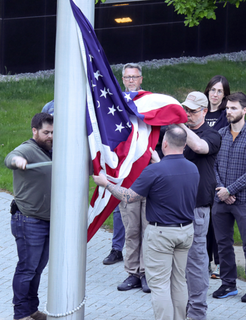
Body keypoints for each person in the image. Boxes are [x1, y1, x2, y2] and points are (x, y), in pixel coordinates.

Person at [93, 125, 199, 320]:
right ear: (184, 146)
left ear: (164, 143)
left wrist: (106, 183)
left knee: (159, 285)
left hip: (161, 234)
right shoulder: (193, 169)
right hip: (186, 232)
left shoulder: (155, 171)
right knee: (178, 282)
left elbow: (128, 196)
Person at [212, 92, 246, 302]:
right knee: (223, 244)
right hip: (220, 200)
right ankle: (228, 284)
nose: (229, 111)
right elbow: (212, 165)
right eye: (227, 108)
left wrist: (230, 190)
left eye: (233, 108)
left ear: (245, 110)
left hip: (244, 201)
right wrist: (221, 190)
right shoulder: (220, 134)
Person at [5, 113, 54, 320]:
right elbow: (10, 158)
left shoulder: (53, 150)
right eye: (46, 132)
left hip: (50, 221)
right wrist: (19, 161)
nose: (50, 136)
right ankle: (21, 314)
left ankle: (32, 310)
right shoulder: (29, 149)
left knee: (38, 268)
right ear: (34, 131)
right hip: (29, 220)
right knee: (27, 268)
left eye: (53, 132)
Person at [178, 92, 221, 320]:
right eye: (185, 109)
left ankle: (196, 312)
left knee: (195, 261)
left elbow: (200, 148)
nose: (187, 114)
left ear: (205, 111)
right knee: (178, 263)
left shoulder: (211, 135)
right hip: (175, 207)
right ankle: (181, 308)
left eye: (193, 111)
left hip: (197, 208)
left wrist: (178, 124)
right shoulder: (176, 132)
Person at [101, 62, 144, 267]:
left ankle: (140, 255)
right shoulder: (116, 101)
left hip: (141, 160)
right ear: (123, 80)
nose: (131, 81)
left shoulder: (147, 100)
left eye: (134, 77)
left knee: (140, 208)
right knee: (118, 205)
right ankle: (116, 248)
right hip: (121, 159)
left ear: (141, 79)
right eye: (127, 77)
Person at [202, 75, 231, 279]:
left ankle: (220, 264)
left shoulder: (226, 116)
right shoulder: (199, 113)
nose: (215, 94)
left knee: (217, 223)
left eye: (220, 91)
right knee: (202, 222)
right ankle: (203, 262)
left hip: (219, 174)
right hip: (201, 174)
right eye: (213, 90)